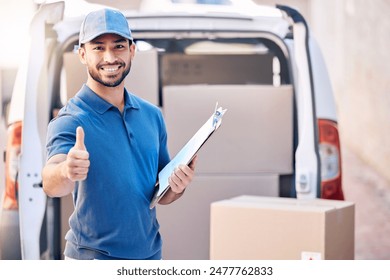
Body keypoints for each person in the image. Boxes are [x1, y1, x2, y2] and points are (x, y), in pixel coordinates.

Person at [42, 8, 197, 260]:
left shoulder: (151, 115)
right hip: (93, 261)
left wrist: (178, 187)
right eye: (98, 48)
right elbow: (50, 182)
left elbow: (161, 193)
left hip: (149, 258)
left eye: (118, 46)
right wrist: (66, 170)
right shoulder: (71, 119)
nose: (110, 57)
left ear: (132, 50)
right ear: (82, 54)